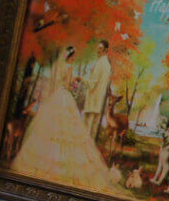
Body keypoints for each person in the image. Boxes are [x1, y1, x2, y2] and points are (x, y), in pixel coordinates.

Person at [11, 45, 114, 192]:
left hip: (57, 95)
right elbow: (67, 84)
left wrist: (70, 84)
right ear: (70, 57)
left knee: (52, 127)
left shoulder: (60, 67)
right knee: (68, 129)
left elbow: (60, 82)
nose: (73, 59)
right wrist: (73, 85)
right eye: (73, 57)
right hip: (65, 95)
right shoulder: (70, 68)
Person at [83, 40, 112, 140]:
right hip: (98, 103)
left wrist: (81, 79)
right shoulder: (107, 65)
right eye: (98, 48)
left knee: (86, 132)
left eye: (100, 49)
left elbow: (92, 84)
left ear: (106, 50)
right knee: (92, 133)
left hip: (92, 101)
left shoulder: (100, 63)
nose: (97, 51)